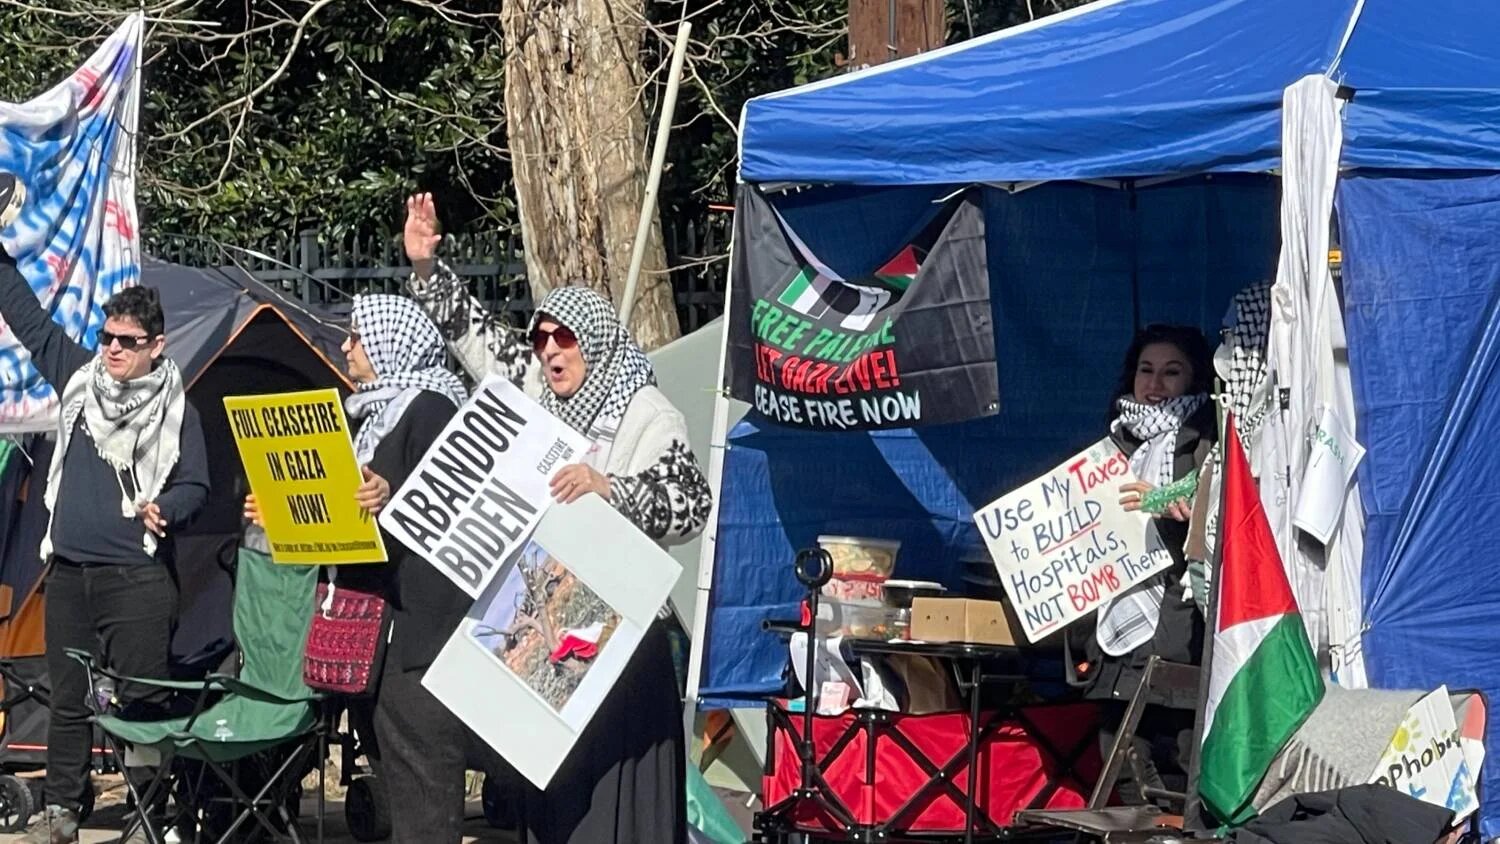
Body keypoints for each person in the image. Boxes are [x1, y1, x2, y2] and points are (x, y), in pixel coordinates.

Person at [402, 192, 712, 844]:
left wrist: (611, 488)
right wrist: (429, 271)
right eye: (541, 337)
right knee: (554, 810)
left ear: (593, 343)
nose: (549, 350)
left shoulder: (645, 411)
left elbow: (691, 502)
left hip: (620, 644)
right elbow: (481, 344)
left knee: (612, 814)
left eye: (564, 337)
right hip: (544, 637)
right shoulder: (536, 397)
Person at [0, 174, 211, 844]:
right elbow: (27, 317)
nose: (111, 349)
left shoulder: (179, 410)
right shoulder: (79, 380)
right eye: (107, 336)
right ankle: (64, 806)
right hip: (68, 573)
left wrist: (167, 509)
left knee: (143, 702)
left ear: (156, 346)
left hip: (137, 580)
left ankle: (154, 809)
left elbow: (197, 485)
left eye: (125, 341)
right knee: (68, 700)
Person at [244, 293, 477, 842]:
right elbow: (341, 518)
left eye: (357, 335)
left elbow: (450, 506)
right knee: (394, 770)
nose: (346, 346)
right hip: (375, 630)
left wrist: (390, 496)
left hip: (422, 632)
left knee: (422, 779)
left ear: (391, 341)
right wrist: (278, 515)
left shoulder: (433, 409)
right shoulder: (371, 414)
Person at [1077, 323, 1217, 805]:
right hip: (1117, 636)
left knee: (1176, 755)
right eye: (1146, 370)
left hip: (1177, 627)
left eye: (1171, 372)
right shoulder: (1116, 444)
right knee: (1118, 755)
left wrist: (1174, 505)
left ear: (1194, 379)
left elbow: (1219, 517)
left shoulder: (1206, 441)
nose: (1155, 385)